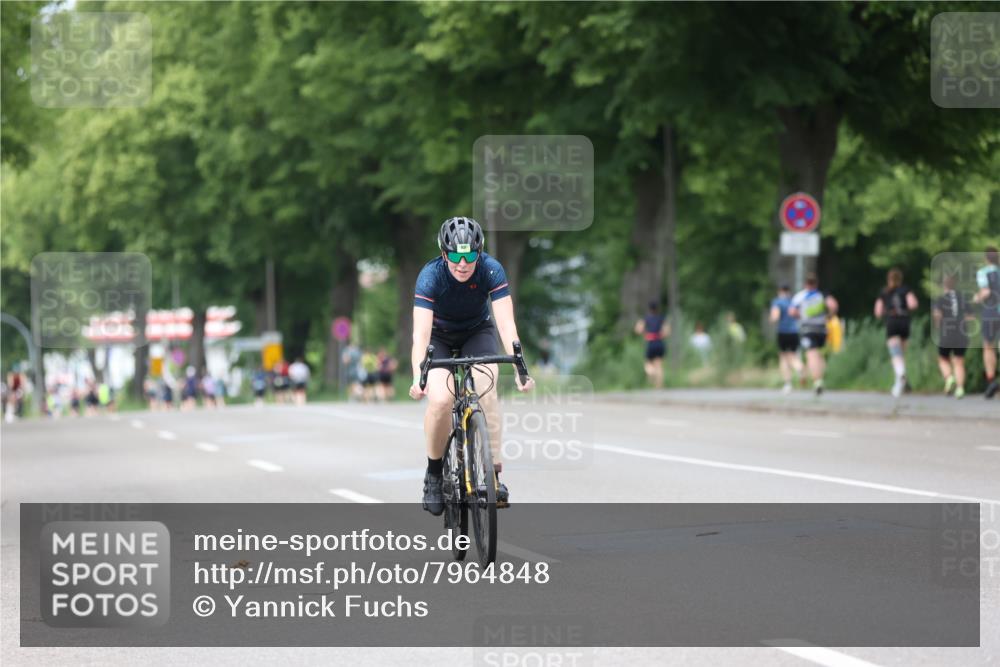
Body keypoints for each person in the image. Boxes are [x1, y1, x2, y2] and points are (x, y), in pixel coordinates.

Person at [409, 216, 534, 515]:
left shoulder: (491, 269)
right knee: (441, 400)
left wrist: (520, 368)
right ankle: (434, 474)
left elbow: (506, 324)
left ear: (479, 253)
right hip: (438, 337)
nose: (462, 263)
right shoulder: (431, 276)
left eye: (469, 255)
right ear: (444, 254)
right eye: (455, 255)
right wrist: (418, 376)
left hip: (478, 332)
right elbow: (421, 334)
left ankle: (493, 475)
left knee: (487, 390)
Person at [789, 273, 839, 396]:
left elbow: (792, 312)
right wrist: (829, 316)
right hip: (822, 328)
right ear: (816, 283)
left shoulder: (800, 296)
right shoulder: (822, 294)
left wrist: (800, 316)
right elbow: (833, 305)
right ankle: (820, 379)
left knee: (811, 355)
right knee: (820, 356)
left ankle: (817, 381)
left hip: (807, 329)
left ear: (805, 283)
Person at [874, 268, 919, 398]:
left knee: (895, 354)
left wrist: (886, 312)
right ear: (900, 279)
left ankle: (900, 376)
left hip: (892, 322)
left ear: (888, 279)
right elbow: (913, 304)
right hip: (904, 321)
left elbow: (877, 312)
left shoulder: (884, 292)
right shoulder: (906, 290)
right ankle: (899, 383)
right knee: (901, 354)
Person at [933, 273, 972, 399]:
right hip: (961, 333)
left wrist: (939, 325)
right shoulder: (963, 298)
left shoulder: (940, 299)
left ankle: (949, 378)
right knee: (959, 361)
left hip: (946, 333)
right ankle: (960, 389)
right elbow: (970, 317)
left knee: (943, 359)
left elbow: (937, 315)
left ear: (944, 284)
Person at [973, 247, 1000, 398]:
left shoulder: (983, 273)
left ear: (986, 258)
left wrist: (977, 298)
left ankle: (991, 380)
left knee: (988, 346)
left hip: (991, 313)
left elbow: (986, 291)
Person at [770, 284, 804, 394]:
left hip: (783, 332)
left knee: (784, 357)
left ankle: (788, 383)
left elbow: (775, 316)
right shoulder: (793, 302)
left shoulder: (778, 302)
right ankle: (799, 367)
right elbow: (799, 316)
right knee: (792, 355)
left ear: (779, 291)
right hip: (794, 332)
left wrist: (772, 319)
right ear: (788, 291)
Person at [634, 300, 670, 389]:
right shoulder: (661, 318)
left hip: (651, 342)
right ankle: (659, 386)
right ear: (657, 308)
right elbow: (667, 331)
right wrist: (661, 335)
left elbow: (638, 329)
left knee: (648, 364)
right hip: (659, 342)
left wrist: (645, 333)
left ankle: (652, 372)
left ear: (649, 309)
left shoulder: (646, 318)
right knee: (659, 364)